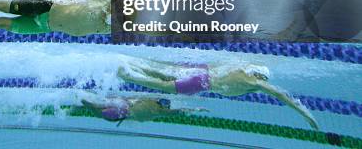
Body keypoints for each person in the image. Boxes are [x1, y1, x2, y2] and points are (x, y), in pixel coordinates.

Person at [117, 58, 319, 130]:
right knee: (164, 85)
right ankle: (128, 74)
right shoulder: (254, 82)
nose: (264, 82)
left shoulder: (240, 72)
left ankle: (131, 64)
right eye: (264, 79)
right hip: (203, 82)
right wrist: (306, 114)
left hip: (202, 71)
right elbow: (281, 95)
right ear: (260, 75)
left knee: (163, 72)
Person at [78, 94, 207, 125]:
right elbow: (179, 111)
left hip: (122, 110)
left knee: (99, 109)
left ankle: (84, 102)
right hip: (124, 110)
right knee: (100, 110)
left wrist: (196, 109)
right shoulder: (155, 108)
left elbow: (179, 111)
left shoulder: (158, 109)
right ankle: (83, 102)